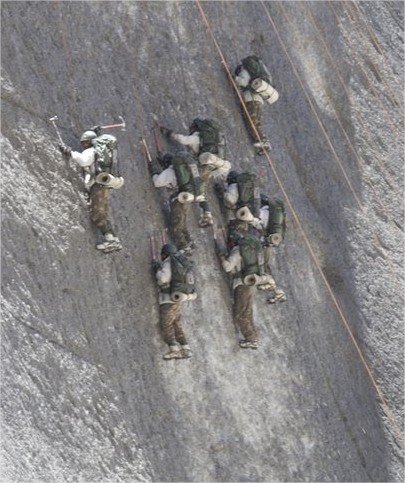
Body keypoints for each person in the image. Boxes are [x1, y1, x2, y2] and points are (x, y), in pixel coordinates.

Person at [58, 129, 122, 253]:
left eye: (83, 143)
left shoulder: (91, 151)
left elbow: (83, 161)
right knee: (102, 212)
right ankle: (114, 240)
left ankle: (110, 240)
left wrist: (70, 152)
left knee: (97, 214)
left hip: (98, 185)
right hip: (105, 184)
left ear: (87, 142)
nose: (82, 146)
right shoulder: (102, 153)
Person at [160, 118, 231, 227]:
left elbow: (182, 140)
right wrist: (211, 174)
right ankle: (207, 212)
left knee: (192, 185)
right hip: (211, 169)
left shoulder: (198, 137)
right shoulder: (217, 144)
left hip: (200, 167)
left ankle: (174, 186)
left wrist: (170, 133)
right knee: (200, 190)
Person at [217, 225, 259, 349]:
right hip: (251, 282)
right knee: (248, 312)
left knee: (241, 313)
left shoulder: (237, 251)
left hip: (242, 285)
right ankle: (253, 336)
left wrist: (221, 258)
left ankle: (250, 338)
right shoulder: (248, 251)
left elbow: (228, 267)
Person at [149, 151, 200, 254]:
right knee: (183, 221)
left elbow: (157, 182)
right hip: (189, 197)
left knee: (175, 224)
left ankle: (183, 246)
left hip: (180, 199)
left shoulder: (170, 171)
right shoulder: (185, 170)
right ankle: (189, 241)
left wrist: (154, 171)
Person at [153, 243, 196, 360]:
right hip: (179, 297)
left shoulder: (168, 263)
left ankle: (174, 349)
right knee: (176, 323)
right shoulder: (181, 262)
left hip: (168, 299)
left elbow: (163, 278)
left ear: (165, 254)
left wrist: (157, 270)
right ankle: (186, 348)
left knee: (166, 324)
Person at [234, 55, 279, 155]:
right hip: (258, 101)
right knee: (255, 122)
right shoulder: (259, 72)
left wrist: (235, 79)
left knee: (251, 122)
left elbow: (243, 82)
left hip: (252, 100)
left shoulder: (244, 71)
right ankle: (263, 141)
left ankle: (262, 142)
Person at [258, 194, 287, 304]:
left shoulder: (263, 212)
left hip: (266, 242)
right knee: (265, 264)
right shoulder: (278, 217)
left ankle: (276, 291)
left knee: (262, 264)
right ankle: (273, 287)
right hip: (270, 241)